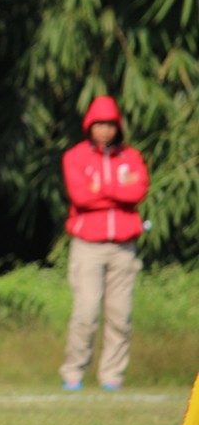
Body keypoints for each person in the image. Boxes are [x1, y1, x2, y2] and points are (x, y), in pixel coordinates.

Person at [59, 95, 148, 392]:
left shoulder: (131, 157)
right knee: (86, 311)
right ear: (89, 127)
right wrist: (119, 190)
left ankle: (112, 376)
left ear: (118, 127)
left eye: (110, 125)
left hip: (123, 246)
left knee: (120, 316)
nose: (105, 131)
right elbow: (81, 196)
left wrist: (103, 189)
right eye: (99, 125)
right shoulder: (75, 157)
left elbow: (138, 191)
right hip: (88, 245)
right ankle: (73, 373)